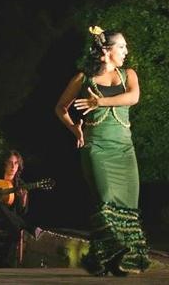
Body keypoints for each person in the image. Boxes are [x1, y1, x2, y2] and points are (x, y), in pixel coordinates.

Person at [55, 26, 150, 276]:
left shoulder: (128, 75)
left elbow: (133, 98)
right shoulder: (83, 79)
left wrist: (100, 101)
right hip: (96, 148)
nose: (126, 51)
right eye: (122, 47)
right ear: (107, 50)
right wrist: (75, 130)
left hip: (124, 150)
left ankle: (105, 260)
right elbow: (61, 108)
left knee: (128, 206)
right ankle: (111, 254)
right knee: (106, 199)